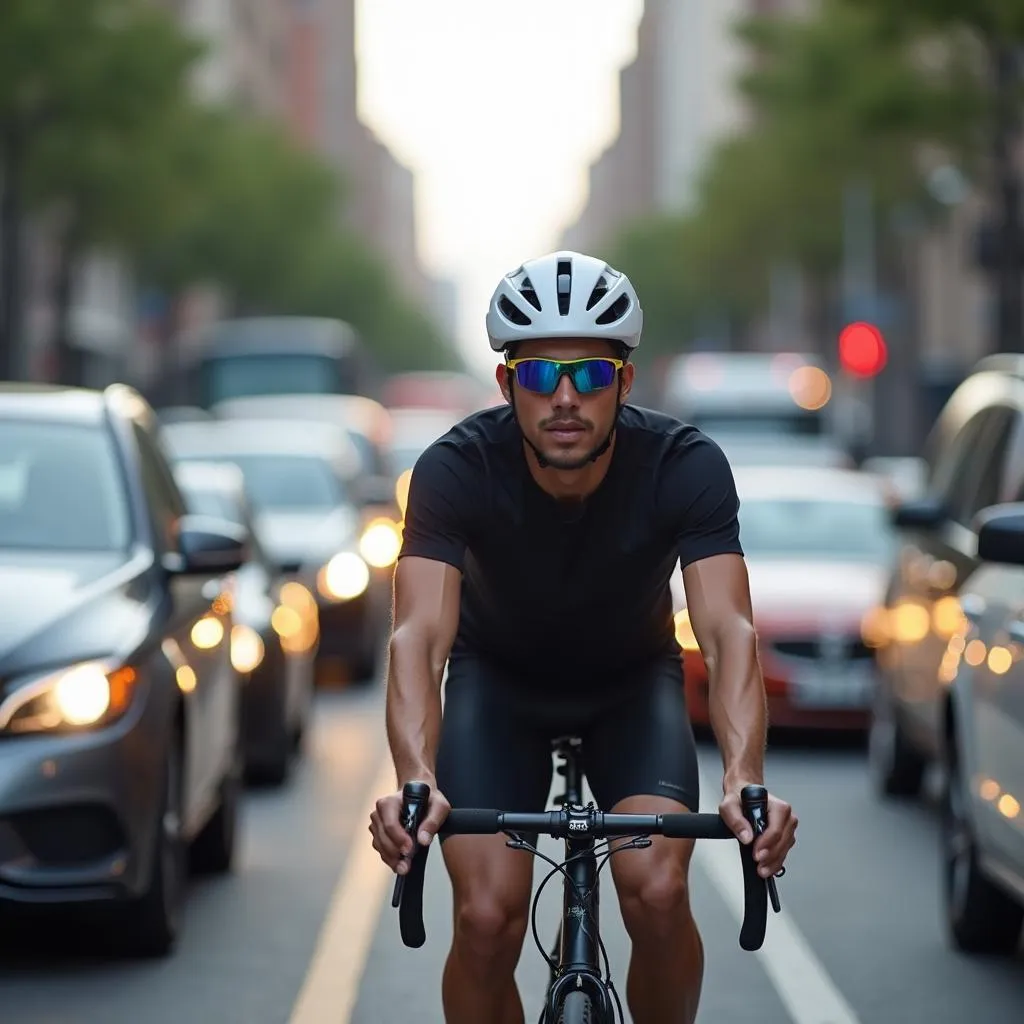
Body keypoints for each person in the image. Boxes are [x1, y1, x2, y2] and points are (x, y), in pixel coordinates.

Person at [369, 250, 797, 1024]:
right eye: (539, 377)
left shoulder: (685, 465)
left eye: (591, 377)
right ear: (506, 386)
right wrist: (415, 778)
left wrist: (743, 778)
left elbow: (730, 630)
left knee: (661, 892)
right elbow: (418, 637)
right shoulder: (454, 470)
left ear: (625, 383)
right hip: (497, 688)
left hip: (630, 688)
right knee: (487, 917)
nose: (565, 398)